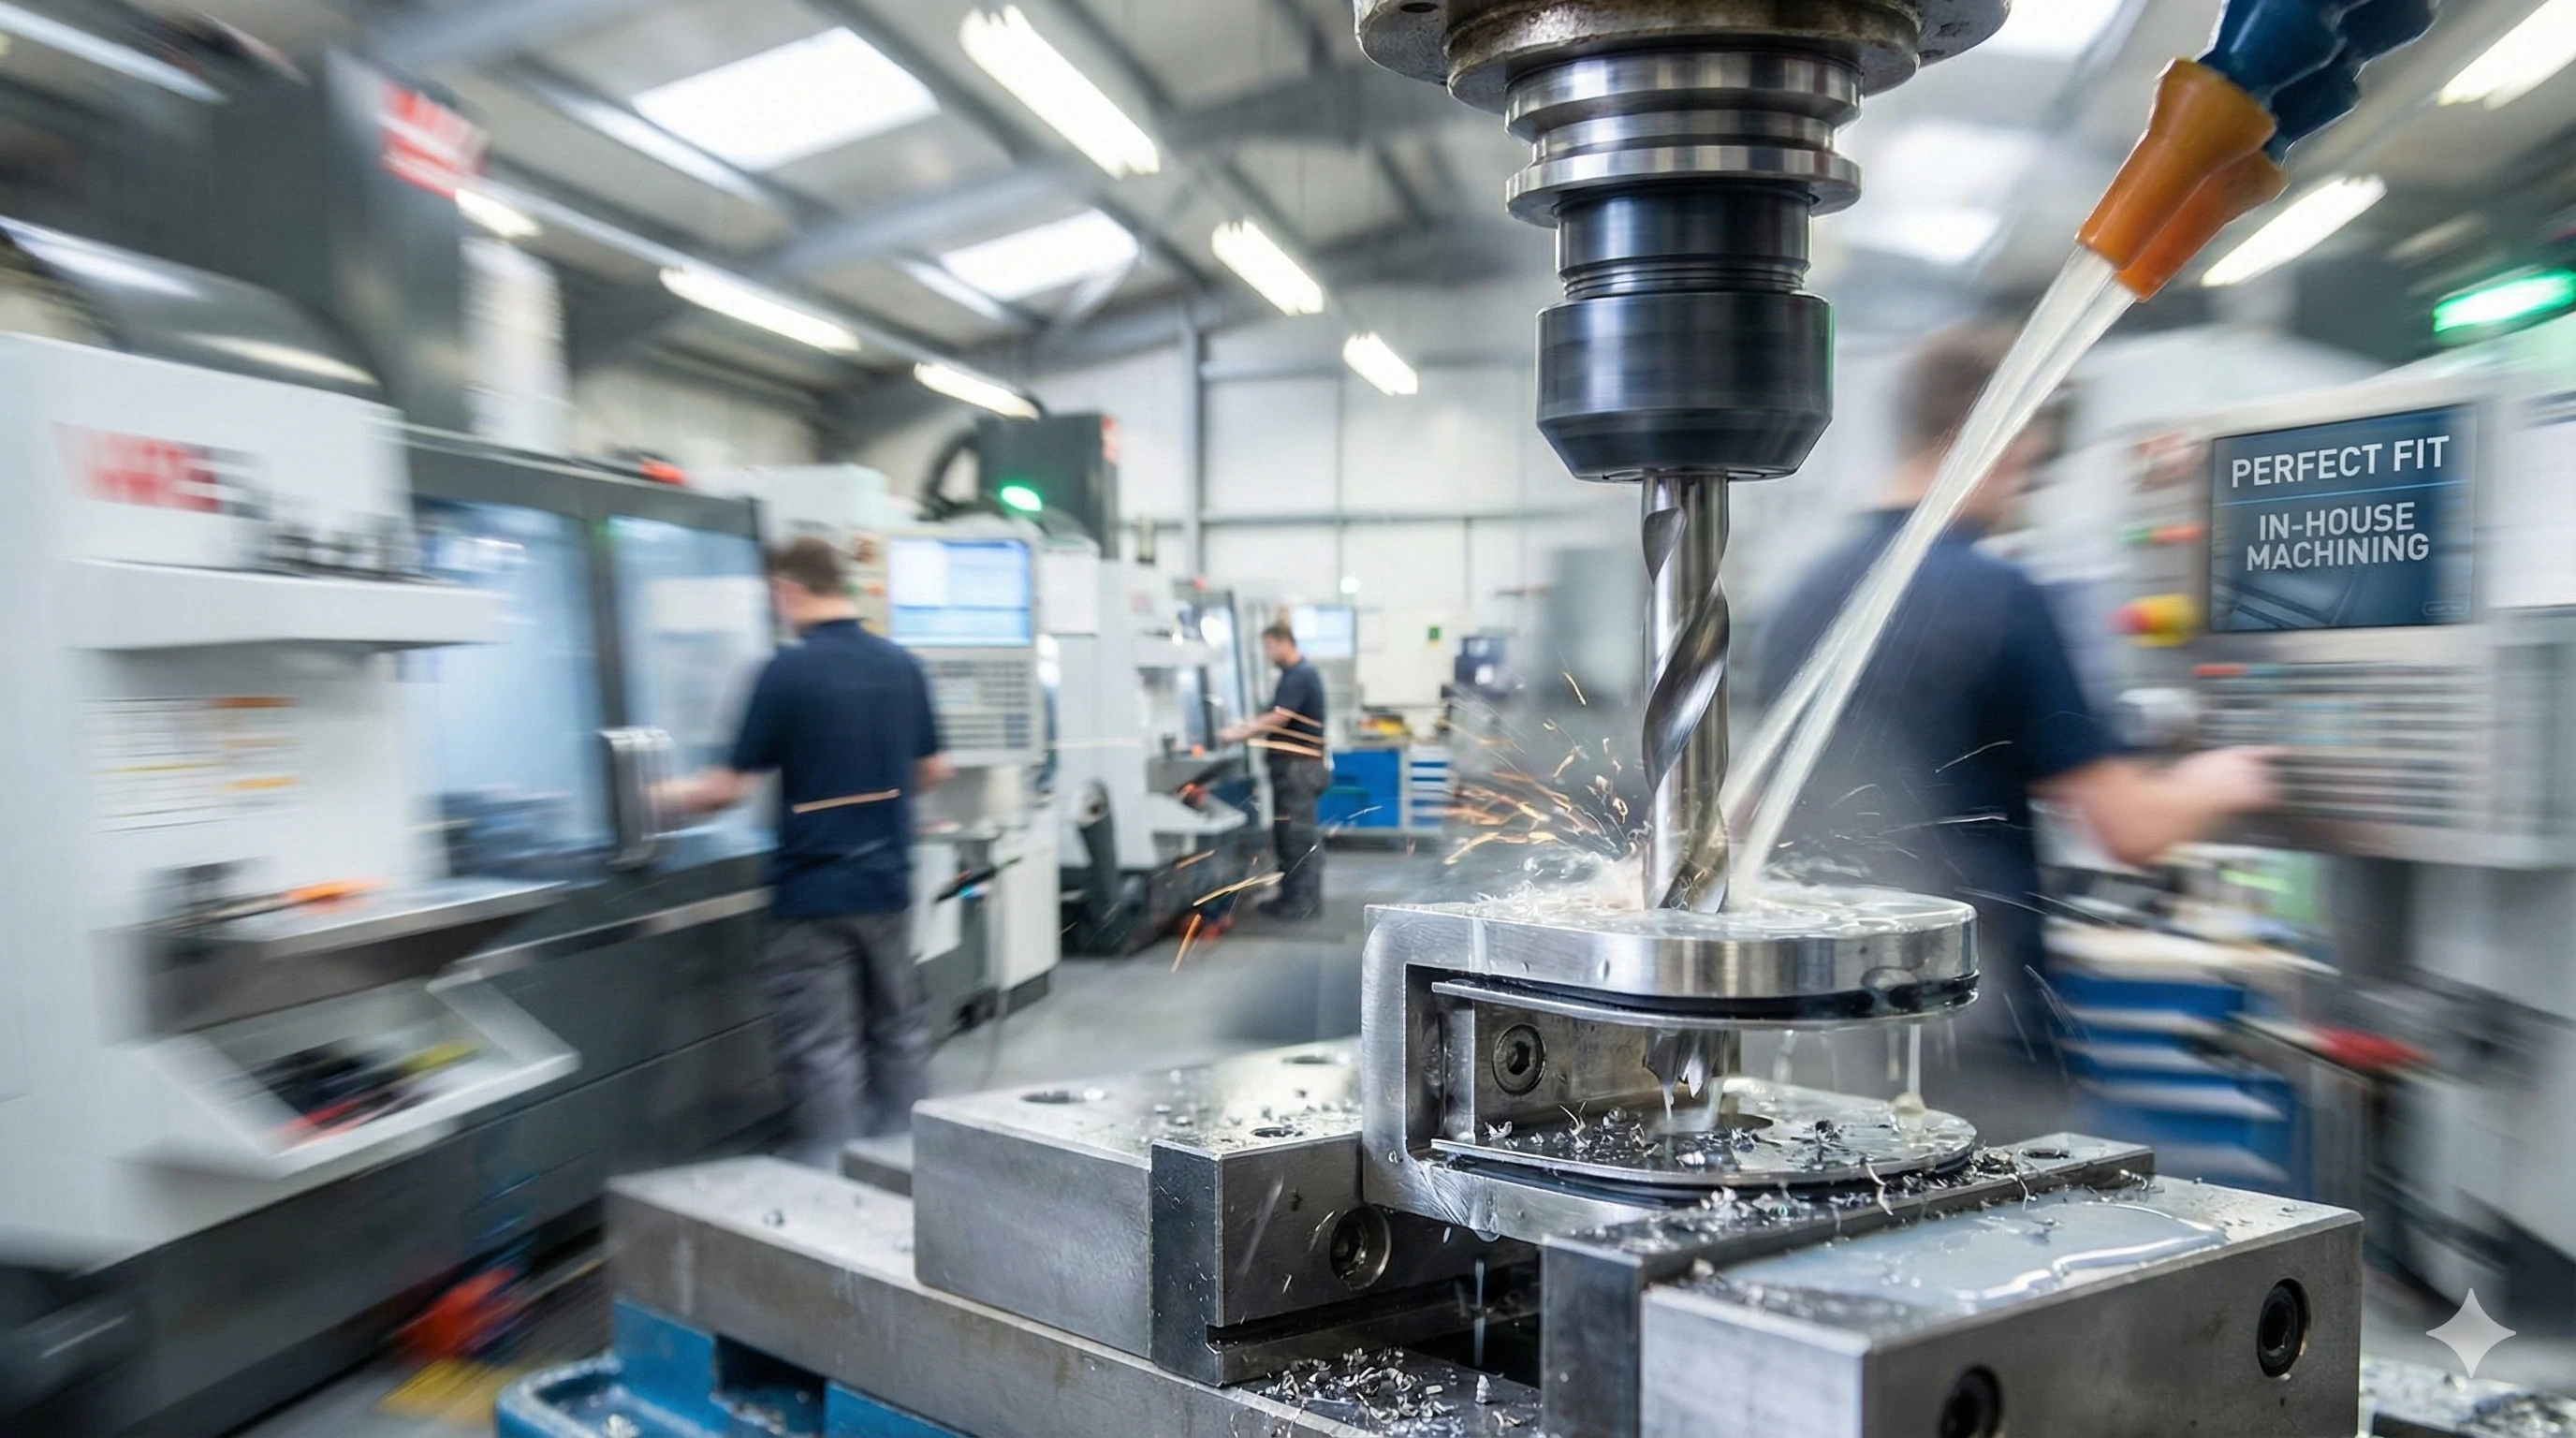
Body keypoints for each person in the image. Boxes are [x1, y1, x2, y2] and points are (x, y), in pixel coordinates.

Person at [1754, 325, 2277, 1046]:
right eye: (2031, 438)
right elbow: (2133, 828)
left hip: (1824, 1014)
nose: (2034, 460)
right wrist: (2231, 777)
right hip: (1972, 1007)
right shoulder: (1999, 596)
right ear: (1994, 429)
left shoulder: (1801, 598)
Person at [664, 536, 953, 1161]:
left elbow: (725, 790)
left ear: (787, 591)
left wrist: (653, 796)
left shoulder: (784, 672)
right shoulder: (901, 665)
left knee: (825, 1051)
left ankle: (833, 1189)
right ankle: (912, 1175)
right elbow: (933, 771)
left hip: (813, 897)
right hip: (887, 887)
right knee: (900, 1032)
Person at [1222, 622, 1330, 920]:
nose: (1267, 654)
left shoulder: (1299, 675)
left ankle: (1301, 903)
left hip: (1299, 770)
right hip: (1297, 768)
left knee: (1296, 836)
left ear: (1284, 642)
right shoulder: (1295, 675)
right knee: (1289, 834)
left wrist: (1239, 731)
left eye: (1268, 647)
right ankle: (1293, 897)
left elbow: (1280, 717)